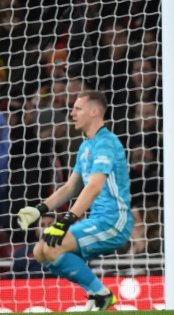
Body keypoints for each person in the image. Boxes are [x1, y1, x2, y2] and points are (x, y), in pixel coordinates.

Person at [16, 90, 133, 311]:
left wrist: (65, 220)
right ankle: (98, 295)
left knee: (52, 247)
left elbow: (94, 186)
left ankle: (101, 294)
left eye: (78, 109)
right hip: (98, 220)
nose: (72, 113)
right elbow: (71, 187)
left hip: (114, 221)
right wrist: (39, 209)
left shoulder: (106, 142)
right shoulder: (86, 146)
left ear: (95, 111)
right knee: (40, 251)